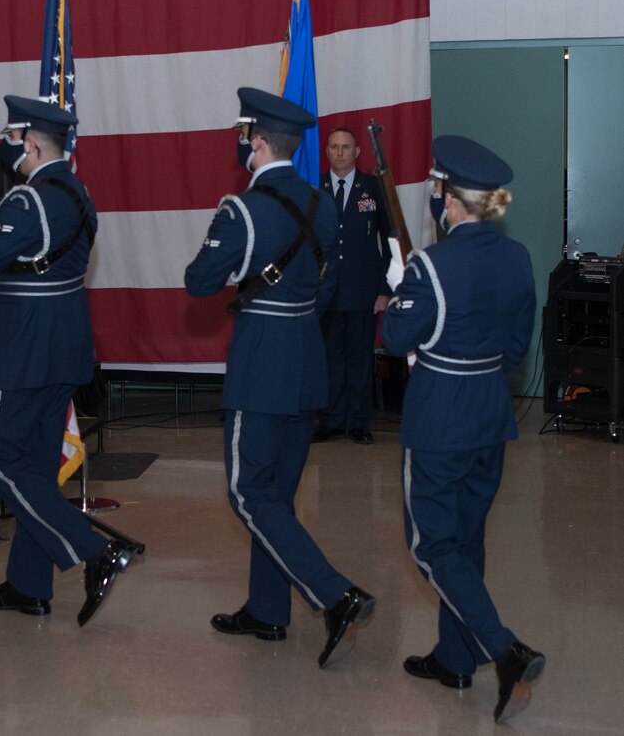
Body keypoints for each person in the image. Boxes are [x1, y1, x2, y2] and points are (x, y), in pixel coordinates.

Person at [184, 88, 374, 667]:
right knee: (277, 496)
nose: (243, 143)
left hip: (263, 359)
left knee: (248, 491)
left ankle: (334, 595)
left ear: (259, 142)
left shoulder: (242, 208)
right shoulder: (322, 202)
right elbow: (326, 287)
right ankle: (268, 611)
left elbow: (198, 281)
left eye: (246, 135)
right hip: (305, 356)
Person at [0, 95, 136, 627]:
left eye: (13, 140)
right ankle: (27, 585)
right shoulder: (80, 194)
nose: (8, 149)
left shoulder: (27, 202)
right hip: (68, 343)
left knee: (1, 459)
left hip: (26, 347)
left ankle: (91, 549)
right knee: (35, 463)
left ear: (30, 144)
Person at [382, 135, 543, 722]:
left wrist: (404, 290)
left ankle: (504, 649)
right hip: (489, 412)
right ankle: (454, 657)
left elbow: (396, 340)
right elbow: (515, 347)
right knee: (466, 539)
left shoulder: (432, 264)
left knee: (432, 545)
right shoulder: (518, 256)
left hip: (440, 418)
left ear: (447, 198)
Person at [313, 127, 391, 445]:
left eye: (346, 147)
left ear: (358, 152)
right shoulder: (314, 188)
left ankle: (359, 422)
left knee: (360, 356)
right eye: (335, 147)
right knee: (330, 357)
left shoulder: (373, 187)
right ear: (327, 151)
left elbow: (391, 239)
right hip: (326, 289)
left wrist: (386, 288)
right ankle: (332, 420)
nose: (341, 152)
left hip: (364, 289)